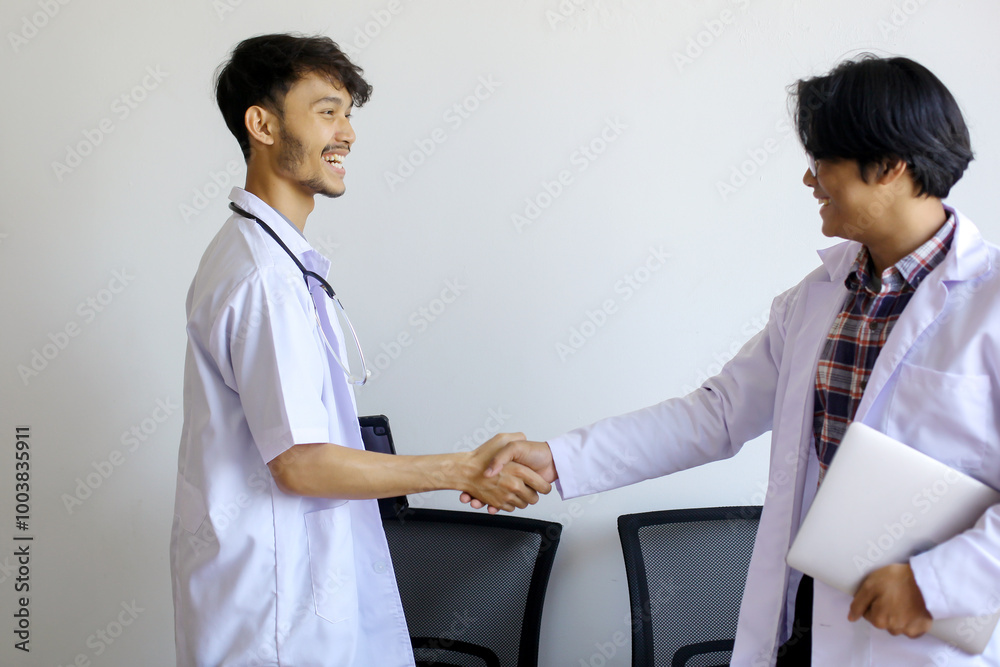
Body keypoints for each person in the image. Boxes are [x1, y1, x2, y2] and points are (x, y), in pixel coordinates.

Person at [466, 55, 1000, 665]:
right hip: (798, 622)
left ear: (890, 166)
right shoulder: (817, 297)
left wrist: (937, 583)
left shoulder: (990, 302)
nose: (810, 180)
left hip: (917, 632)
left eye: (823, 160)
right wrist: (558, 458)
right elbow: (715, 416)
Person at [169, 33, 550, 667]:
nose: (347, 132)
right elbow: (302, 464)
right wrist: (462, 468)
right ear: (261, 124)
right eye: (326, 111)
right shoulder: (264, 278)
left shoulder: (271, 260)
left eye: (348, 112)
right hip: (276, 621)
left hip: (291, 602)